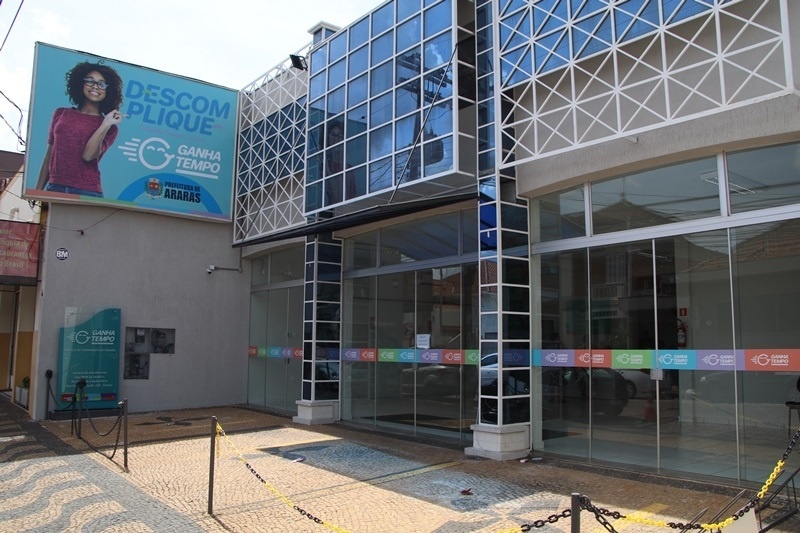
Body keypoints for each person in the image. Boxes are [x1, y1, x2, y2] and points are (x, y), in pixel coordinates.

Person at [36, 61, 125, 197]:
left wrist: (105, 123)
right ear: (80, 83)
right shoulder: (61, 113)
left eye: (101, 84)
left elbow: (88, 156)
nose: (95, 86)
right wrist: (37, 191)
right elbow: (49, 155)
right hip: (55, 186)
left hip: (87, 191)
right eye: (90, 81)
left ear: (108, 90)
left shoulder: (110, 127)